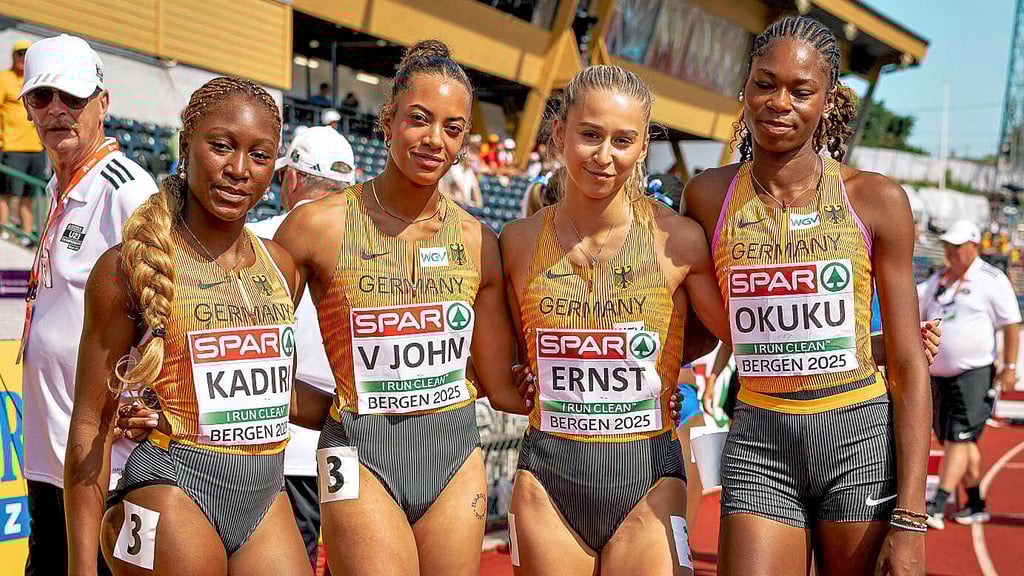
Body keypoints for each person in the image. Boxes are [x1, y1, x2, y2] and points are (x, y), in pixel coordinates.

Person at [684, 16, 932, 575]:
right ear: (745, 86)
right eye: (765, 84)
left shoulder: (875, 199)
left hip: (858, 440)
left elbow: (907, 364)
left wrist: (912, 520)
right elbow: (699, 329)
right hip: (760, 438)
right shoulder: (706, 196)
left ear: (829, 100)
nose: (779, 103)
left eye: (801, 91)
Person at [274, 39, 530, 575]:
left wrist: (644, 393)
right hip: (357, 453)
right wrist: (325, 410)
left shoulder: (479, 242)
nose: (434, 139)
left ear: (463, 143)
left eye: (453, 128)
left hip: (452, 455)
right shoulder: (315, 227)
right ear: (387, 120)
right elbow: (253, 353)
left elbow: (501, 385)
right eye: (419, 119)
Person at [65, 76, 327, 576]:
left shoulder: (280, 266)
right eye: (221, 146)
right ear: (186, 145)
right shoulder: (125, 268)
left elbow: (276, 392)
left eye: (259, 155)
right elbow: (90, 423)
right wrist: (80, 569)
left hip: (264, 494)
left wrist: (366, 408)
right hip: (172, 483)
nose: (239, 170)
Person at [500, 64, 727, 576]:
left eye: (623, 140)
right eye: (590, 135)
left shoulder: (679, 240)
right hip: (547, 480)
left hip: (649, 479)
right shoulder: (516, 242)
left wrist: (665, 369)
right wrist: (520, 376)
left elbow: (740, 334)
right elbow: (506, 351)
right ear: (559, 132)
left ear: (643, 146)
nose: (604, 156)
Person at [16, 33, 157, 576]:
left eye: (72, 98)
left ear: (103, 103)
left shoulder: (125, 189)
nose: (56, 110)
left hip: (108, 463)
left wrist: (154, 399)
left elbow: (173, 306)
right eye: (42, 97)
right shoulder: (61, 187)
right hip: (52, 452)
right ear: (27, 109)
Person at [249, 125, 354, 569]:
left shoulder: (254, 237)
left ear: (291, 178)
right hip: (355, 440)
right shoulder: (374, 244)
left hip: (273, 443)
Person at [919, 219, 1021, 529]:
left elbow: (1011, 323)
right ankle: (976, 503)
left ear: (973, 246)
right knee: (958, 441)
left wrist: (1009, 367)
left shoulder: (991, 279)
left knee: (958, 438)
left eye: (956, 246)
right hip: (940, 377)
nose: (950, 252)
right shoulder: (937, 280)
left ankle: (937, 505)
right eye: (947, 246)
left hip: (974, 374)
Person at [0, 39, 47, 246]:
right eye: (19, 53)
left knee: (29, 195)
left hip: (35, 148)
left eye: (25, 54)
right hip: (12, 147)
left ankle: (26, 234)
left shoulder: (35, 81)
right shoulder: (4, 79)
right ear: (12, 56)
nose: (22, 58)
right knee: (8, 193)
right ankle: (4, 229)